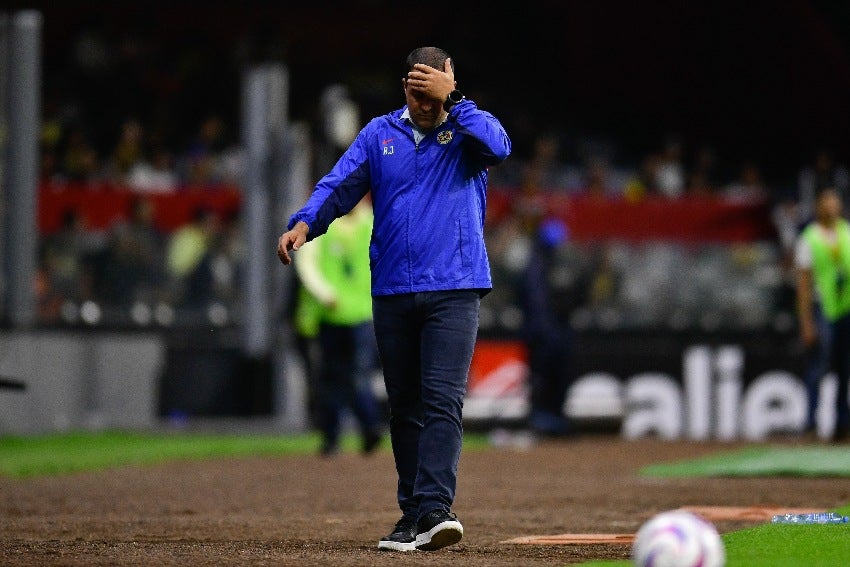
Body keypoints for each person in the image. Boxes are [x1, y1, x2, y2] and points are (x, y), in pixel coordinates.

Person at [277, 46, 511, 551]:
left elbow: (500, 147)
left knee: (442, 399)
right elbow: (339, 185)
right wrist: (304, 223)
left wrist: (458, 102)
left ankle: (435, 508)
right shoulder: (379, 134)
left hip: (454, 287)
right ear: (404, 86)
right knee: (404, 406)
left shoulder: (469, 130)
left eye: (433, 93)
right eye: (415, 92)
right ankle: (413, 515)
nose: (424, 104)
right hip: (392, 291)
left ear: (448, 83)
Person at [293, 198, 383, 456]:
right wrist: (324, 294)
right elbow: (307, 264)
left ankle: (368, 430)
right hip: (330, 315)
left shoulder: (372, 222)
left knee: (356, 375)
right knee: (333, 377)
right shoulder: (323, 223)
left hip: (362, 314)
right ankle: (334, 436)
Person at [516, 218, 590, 437]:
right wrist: (544, 332)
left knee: (561, 377)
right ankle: (541, 419)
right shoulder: (534, 267)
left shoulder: (564, 264)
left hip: (559, 331)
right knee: (541, 379)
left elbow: (578, 296)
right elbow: (533, 302)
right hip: (541, 335)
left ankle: (556, 418)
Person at [795, 187, 850, 442]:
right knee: (818, 367)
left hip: (846, 309)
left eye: (835, 201)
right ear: (818, 206)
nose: (832, 206)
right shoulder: (809, 238)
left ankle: (842, 423)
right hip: (822, 308)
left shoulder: (847, 233)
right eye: (827, 201)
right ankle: (810, 423)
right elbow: (804, 284)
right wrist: (806, 322)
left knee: (845, 369)